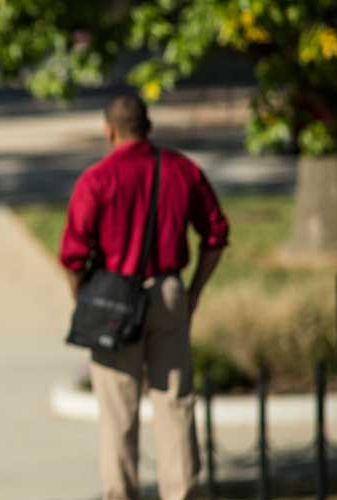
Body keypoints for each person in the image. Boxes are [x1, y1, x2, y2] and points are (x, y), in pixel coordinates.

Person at [60, 94, 229, 500]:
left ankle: (121, 494)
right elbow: (216, 235)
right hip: (169, 290)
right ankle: (182, 493)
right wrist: (193, 292)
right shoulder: (182, 169)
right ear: (148, 126)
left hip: (112, 299)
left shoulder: (97, 179)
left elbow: (72, 254)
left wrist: (81, 297)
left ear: (110, 129)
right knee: (175, 404)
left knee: (118, 413)